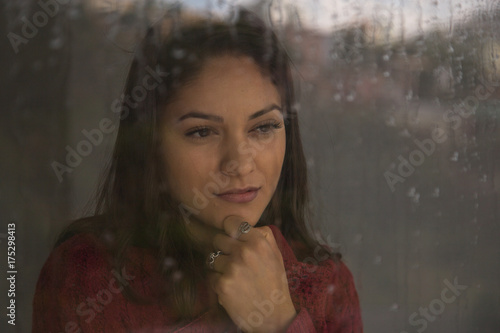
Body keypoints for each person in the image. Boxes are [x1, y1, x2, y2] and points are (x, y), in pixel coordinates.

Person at [32, 7, 363, 333]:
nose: (240, 163)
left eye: (263, 127)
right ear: (151, 146)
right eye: (202, 132)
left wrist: (277, 322)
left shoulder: (328, 283)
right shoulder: (86, 278)